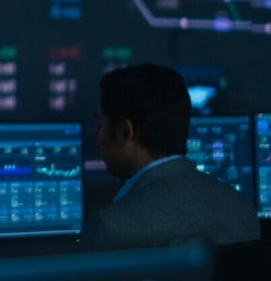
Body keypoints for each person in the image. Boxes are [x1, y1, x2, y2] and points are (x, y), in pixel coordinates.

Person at [80, 64, 259, 246]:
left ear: (125, 132)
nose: (97, 141)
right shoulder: (242, 209)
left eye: (100, 125)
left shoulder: (107, 228)